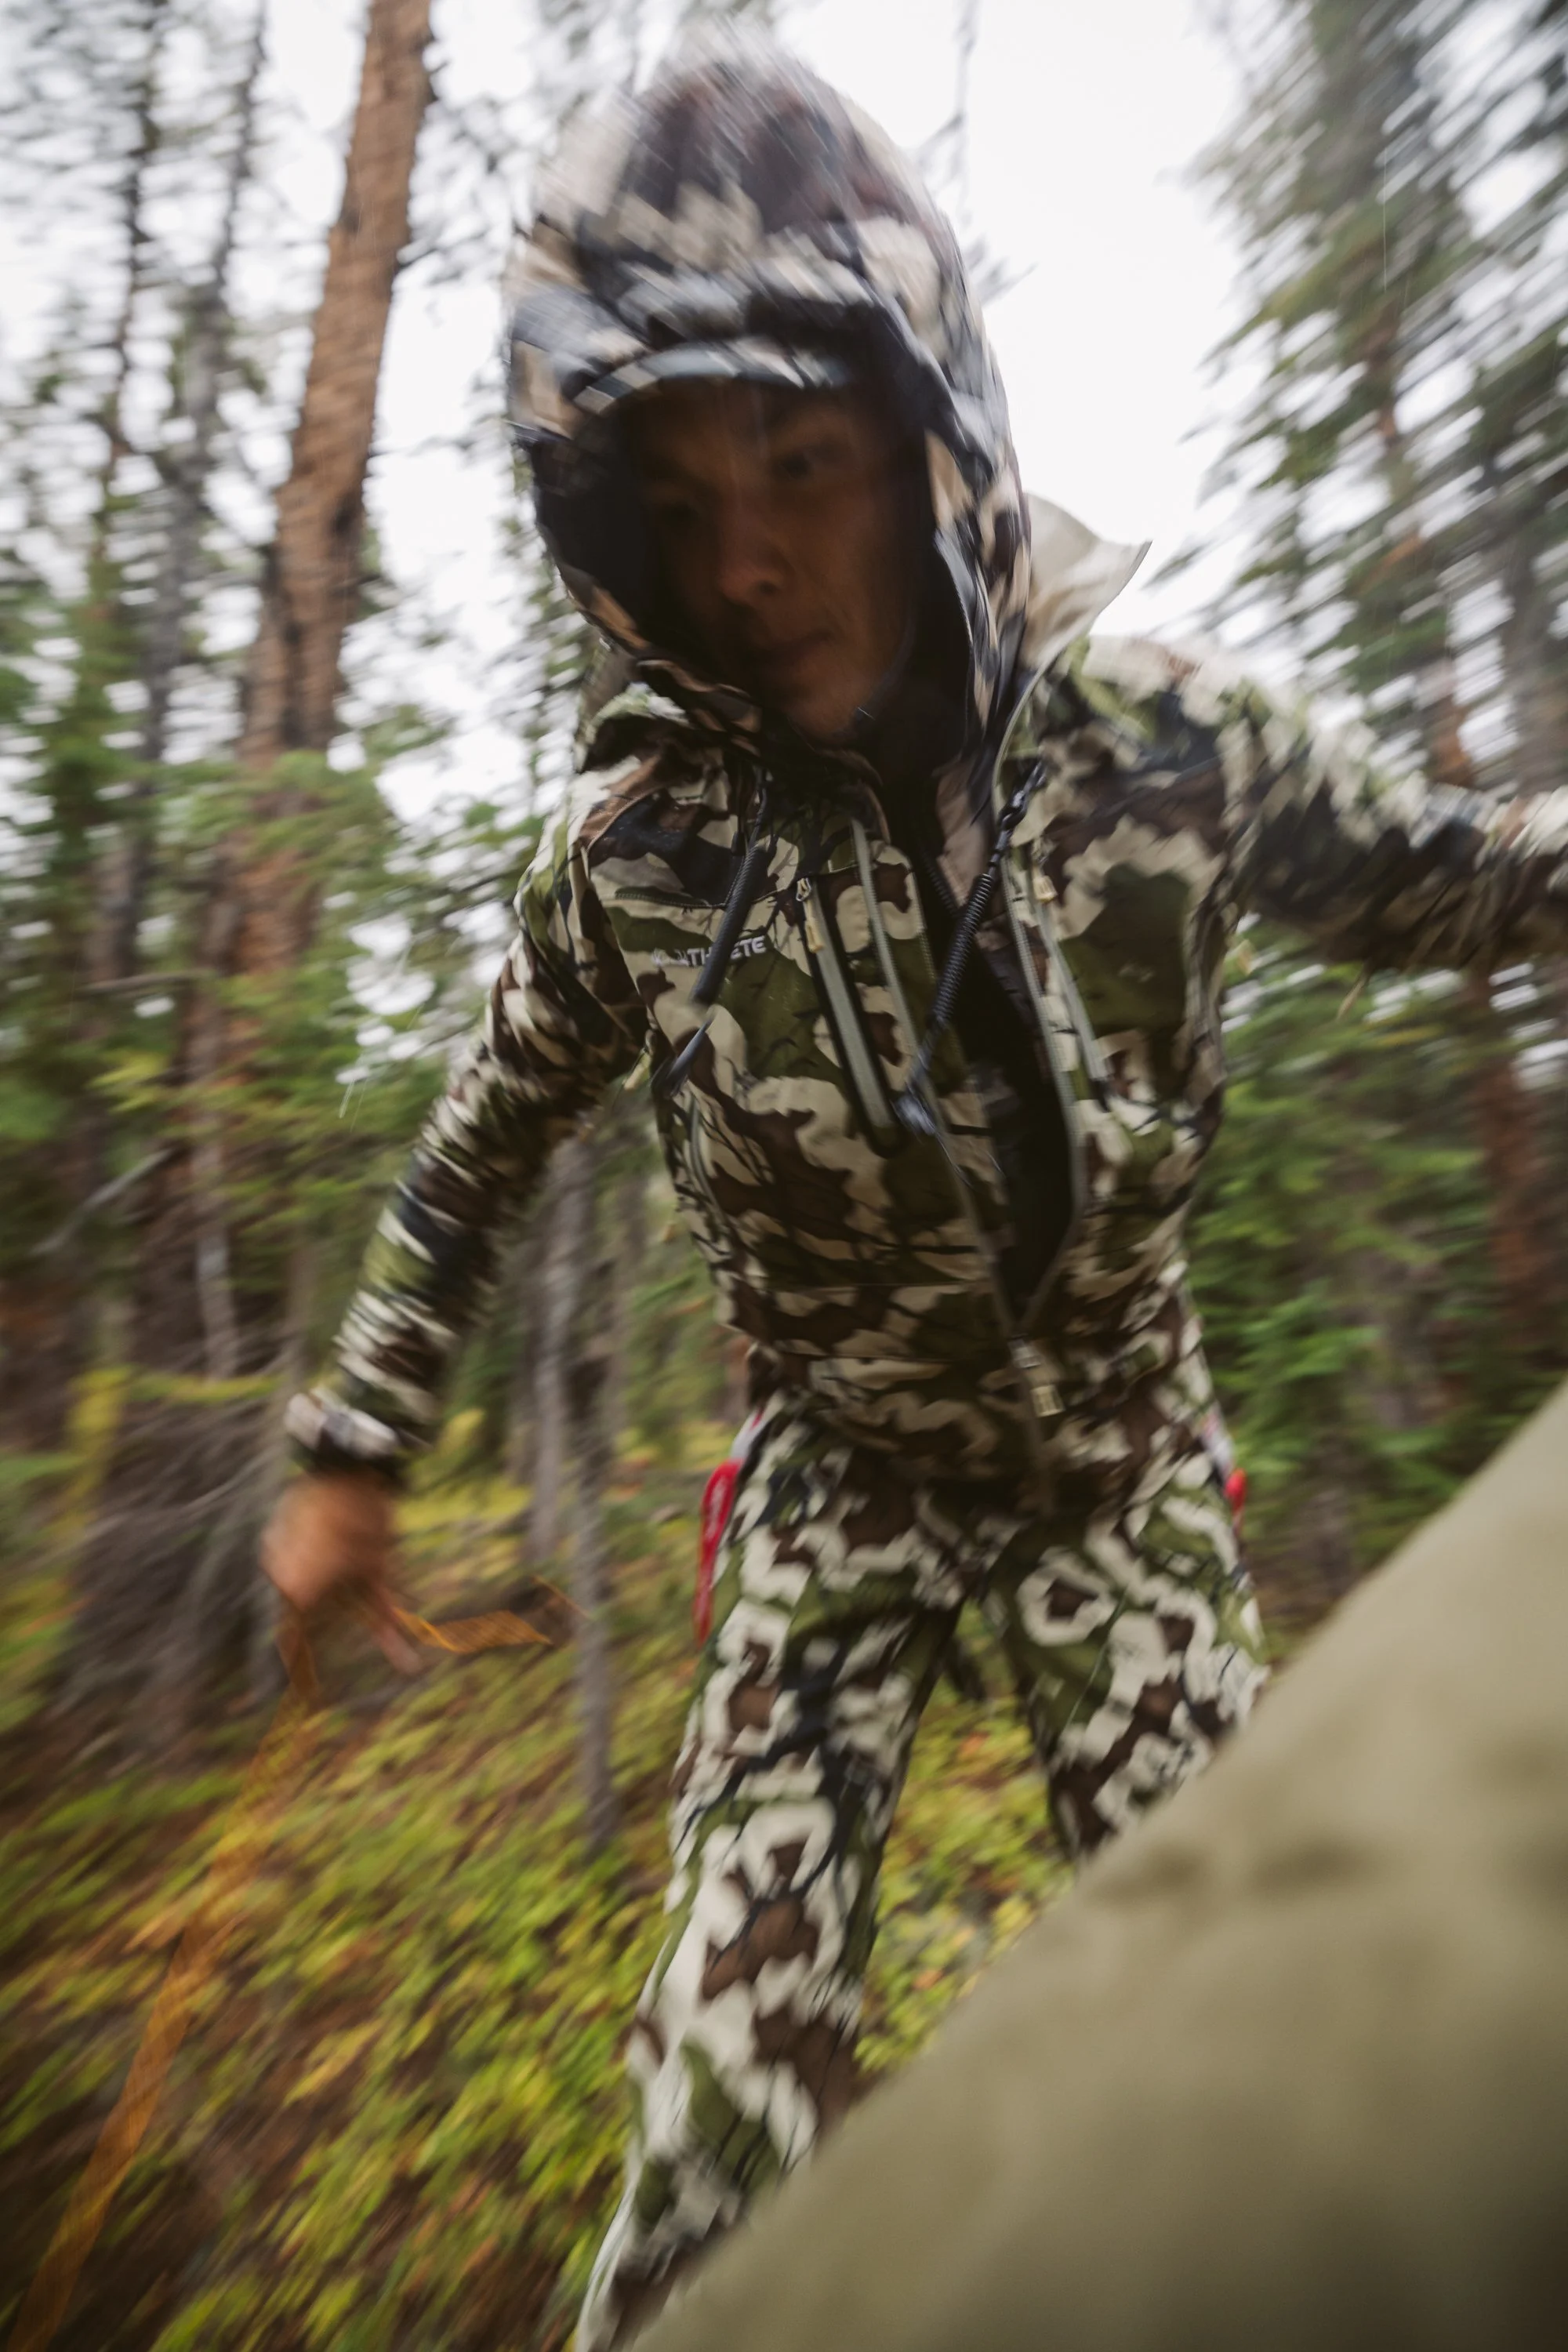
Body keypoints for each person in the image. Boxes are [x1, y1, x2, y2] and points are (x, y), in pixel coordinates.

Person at [262, 33, 1568, 2350]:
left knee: (1274, 2071)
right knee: (714, 2139)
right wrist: (357, 1443)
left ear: (930, 435)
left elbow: (1466, 888)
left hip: (1116, 1469)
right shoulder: (644, 865)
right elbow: (477, 1140)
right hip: (830, 1485)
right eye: (677, 493)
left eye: (802, 455)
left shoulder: (1161, 744)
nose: (748, 550)